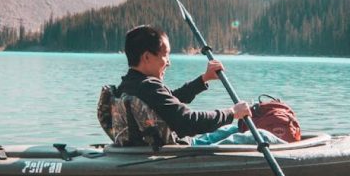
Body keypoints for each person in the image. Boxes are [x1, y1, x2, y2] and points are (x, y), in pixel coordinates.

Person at [115, 25, 285, 146]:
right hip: (183, 151)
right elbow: (188, 121)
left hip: (161, 146)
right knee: (261, 135)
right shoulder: (148, 87)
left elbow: (169, 102)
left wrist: (203, 79)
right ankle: (294, 153)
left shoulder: (129, 85)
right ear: (147, 57)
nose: (168, 62)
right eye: (165, 55)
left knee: (231, 130)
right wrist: (232, 112)